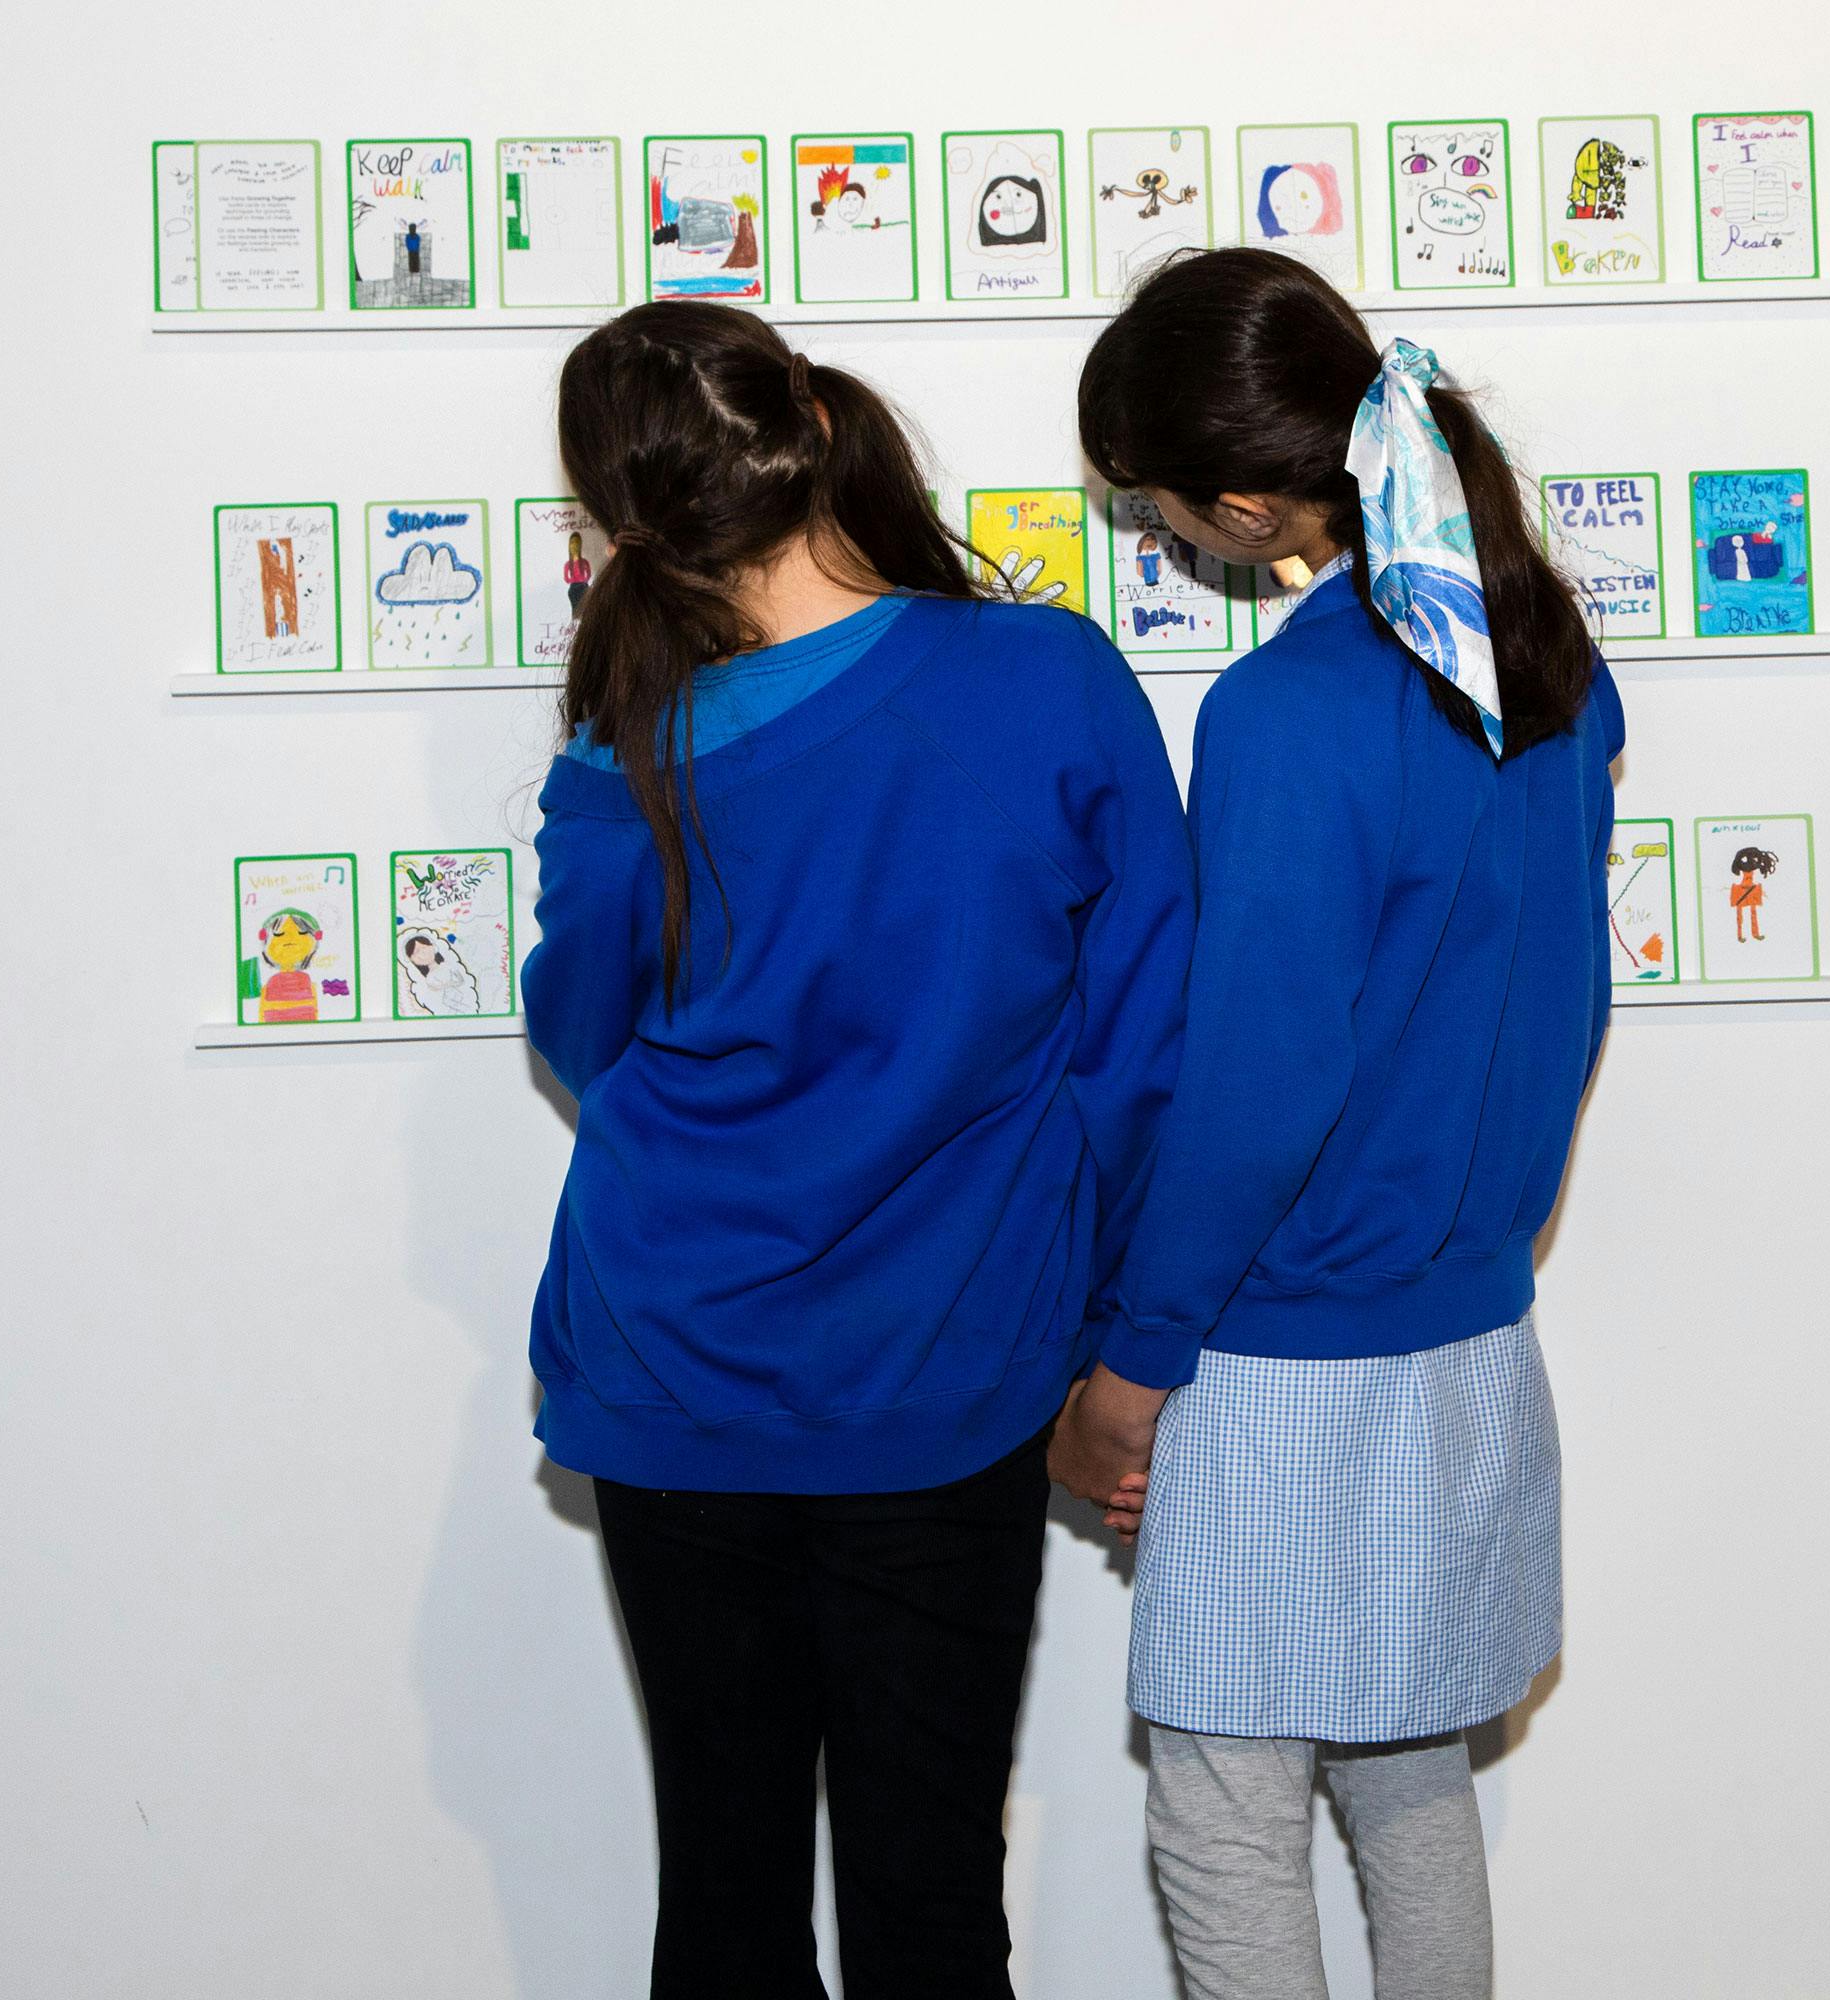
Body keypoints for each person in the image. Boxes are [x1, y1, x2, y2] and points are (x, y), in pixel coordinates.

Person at [521, 300, 1194, 1998]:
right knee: (931, 1904)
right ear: (818, 426)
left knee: (726, 1902)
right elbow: (1143, 1046)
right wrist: (1122, 1328)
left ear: (627, 529)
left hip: (674, 1366)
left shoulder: (628, 748)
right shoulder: (1047, 678)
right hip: (947, 1371)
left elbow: (581, 1032)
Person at [1054, 247, 1623, 1999]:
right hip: (1463, 1335)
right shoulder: (1545, 662)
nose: (1156, 538)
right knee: (1409, 1783)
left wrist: (1132, 1364)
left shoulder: (1291, 711)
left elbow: (1259, 1081)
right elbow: (1554, 1009)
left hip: (1287, 1348)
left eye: (1151, 510)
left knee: (1224, 1808)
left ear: (1238, 502)